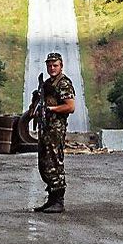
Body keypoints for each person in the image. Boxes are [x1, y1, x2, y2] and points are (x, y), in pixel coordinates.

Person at [33, 52, 76, 214]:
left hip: (56, 129)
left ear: (61, 66)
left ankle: (59, 200)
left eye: (55, 65)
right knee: (44, 163)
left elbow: (70, 106)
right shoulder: (46, 84)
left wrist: (51, 108)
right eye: (49, 65)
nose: (52, 68)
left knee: (54, 162)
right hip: (45, 128)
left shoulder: (63, 84)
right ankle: (51, 199)